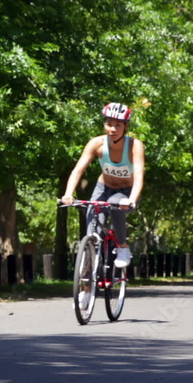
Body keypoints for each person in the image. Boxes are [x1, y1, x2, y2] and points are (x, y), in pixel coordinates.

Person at [60, 102, 145, 270]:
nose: (113, 129)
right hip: (103, 188)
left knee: (115, 204)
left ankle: (122, 247)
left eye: (118, 125)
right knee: (92, 228)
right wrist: (68, 193)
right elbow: (78, 170)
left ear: (126, 126)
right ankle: (87, 276)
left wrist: (132, 199)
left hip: (127, 192)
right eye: (109, 124)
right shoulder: (96, 144)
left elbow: (139, 176)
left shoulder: (135, 146)